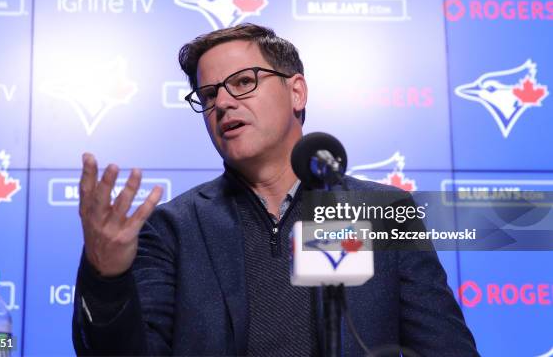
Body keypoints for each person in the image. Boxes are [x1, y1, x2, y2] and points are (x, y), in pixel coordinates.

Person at [72, 23, 478, 356]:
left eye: (243, 82)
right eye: (209, 95)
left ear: (296, 91)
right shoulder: (172, 228)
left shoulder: (383, 210)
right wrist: (106, 278)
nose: (224, 103)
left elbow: (446, 349)